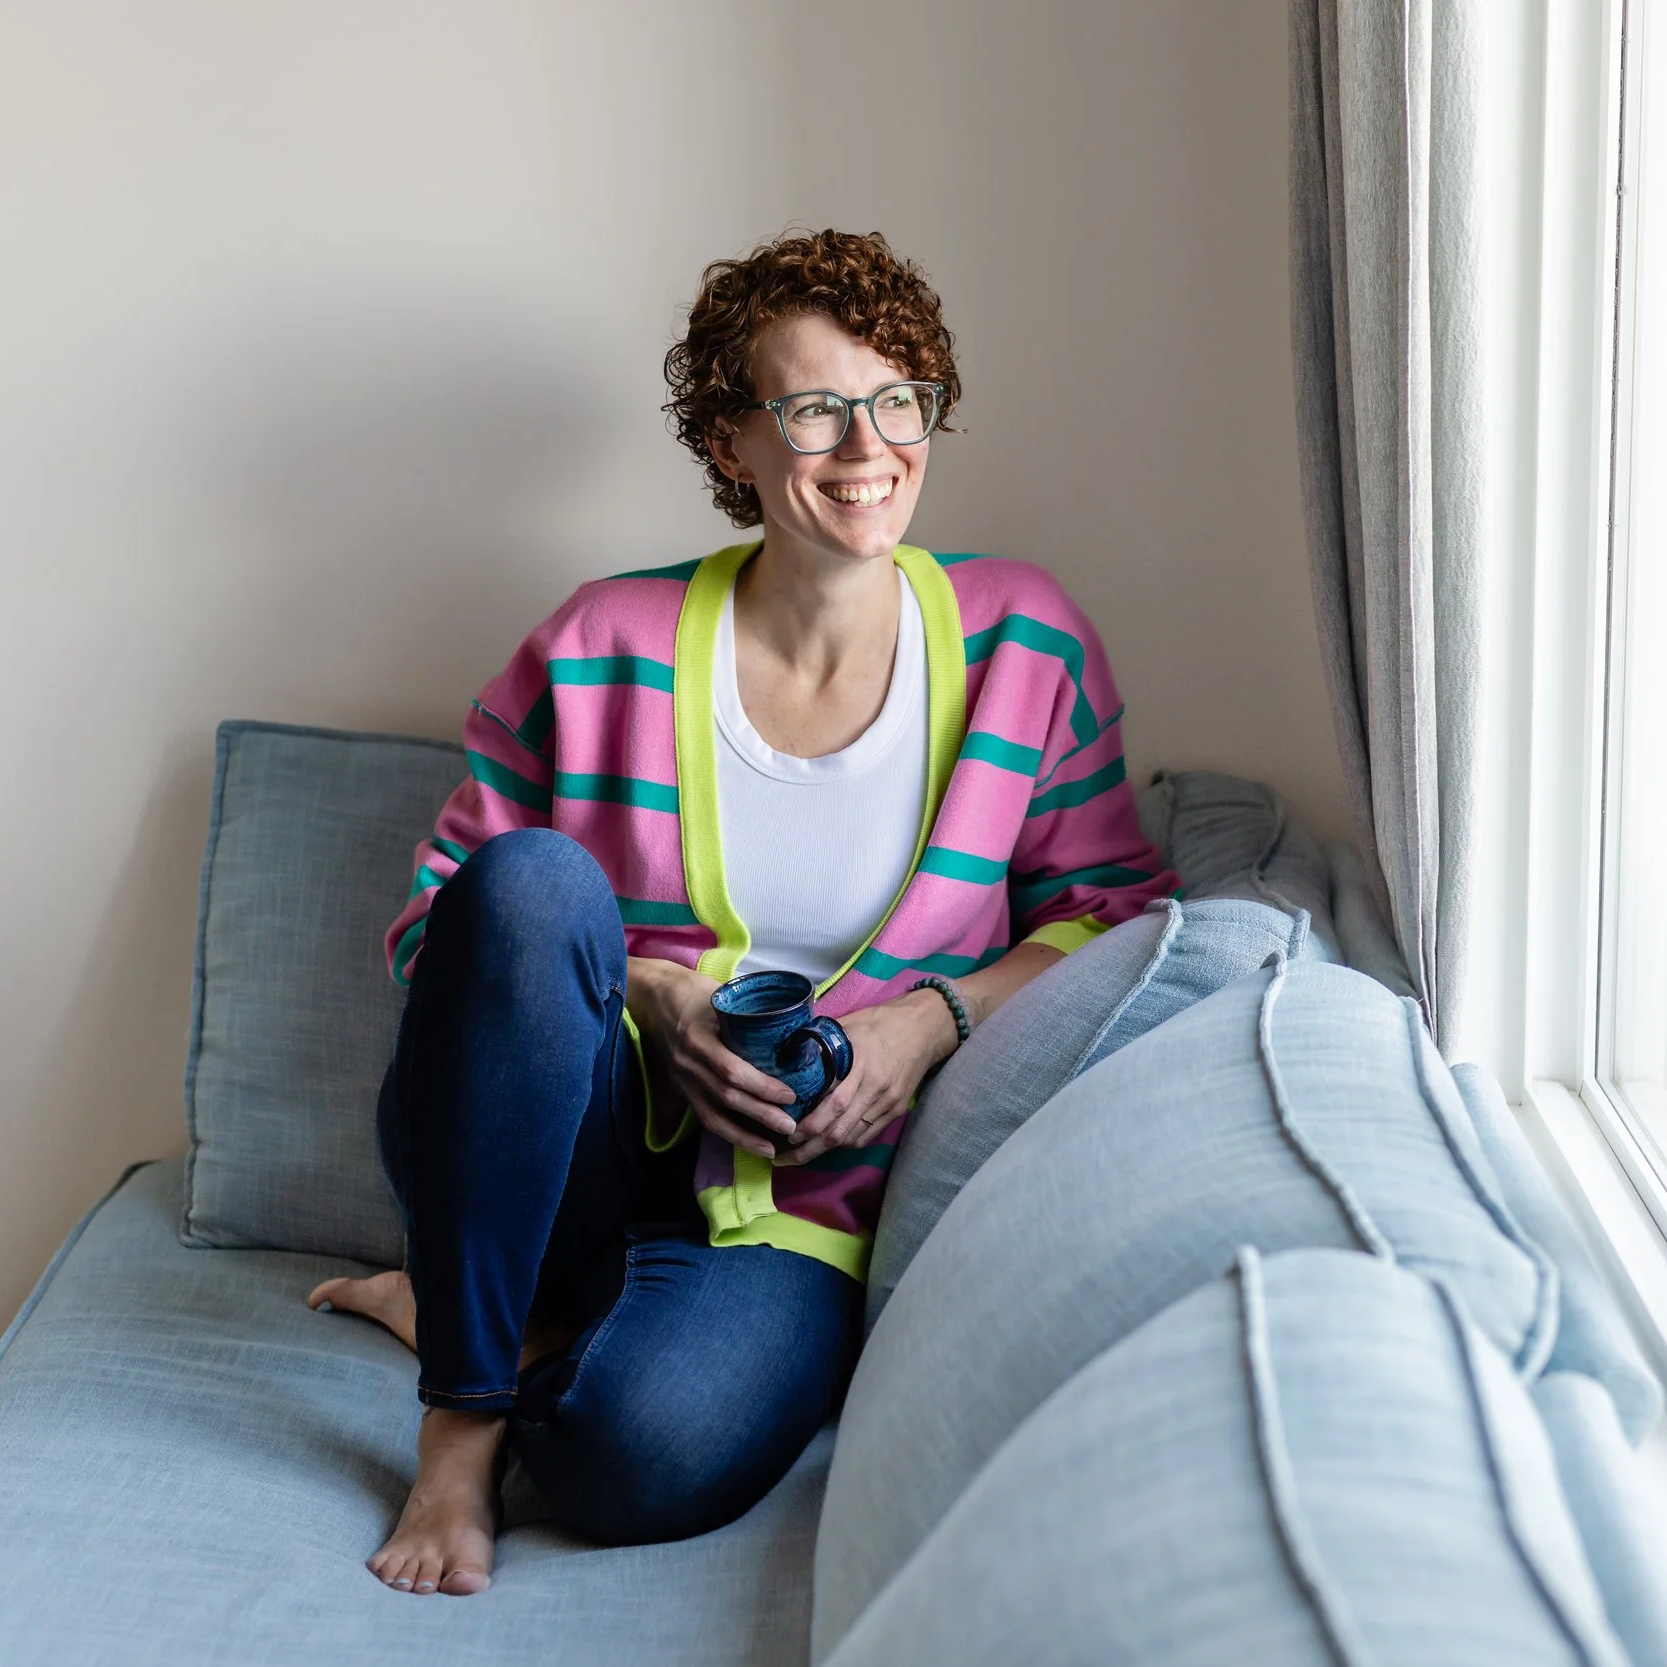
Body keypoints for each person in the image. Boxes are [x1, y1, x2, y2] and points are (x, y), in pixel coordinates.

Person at [308, 228, 1178, 1595]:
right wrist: (647, 991)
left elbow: (1116, 917)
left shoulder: (1026, 643)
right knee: (535, 879)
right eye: (814, 407)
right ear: (730, 441)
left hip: (796, 1191)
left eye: (898, 399)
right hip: (556, 1144)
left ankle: (497, 1317)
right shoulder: (600, 641)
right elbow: (444, 933)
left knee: (631, 1461)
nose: (867, 444)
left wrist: (922, 1025)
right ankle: (462, 1414)